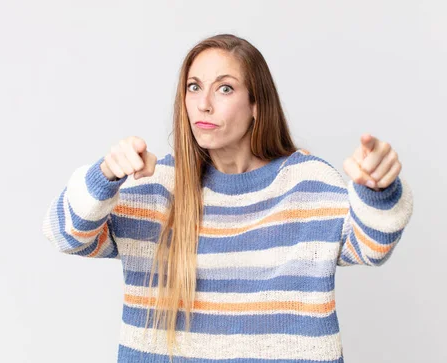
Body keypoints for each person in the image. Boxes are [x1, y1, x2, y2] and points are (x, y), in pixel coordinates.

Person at [42, 33, 414, 363]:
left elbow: (371, 246)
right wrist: (105, 175)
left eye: (224, 88)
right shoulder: (158, 186)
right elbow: (65, 235)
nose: (203, 104)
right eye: (193, 87)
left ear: (256, 105)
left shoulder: (306, 184)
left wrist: (378, 190)